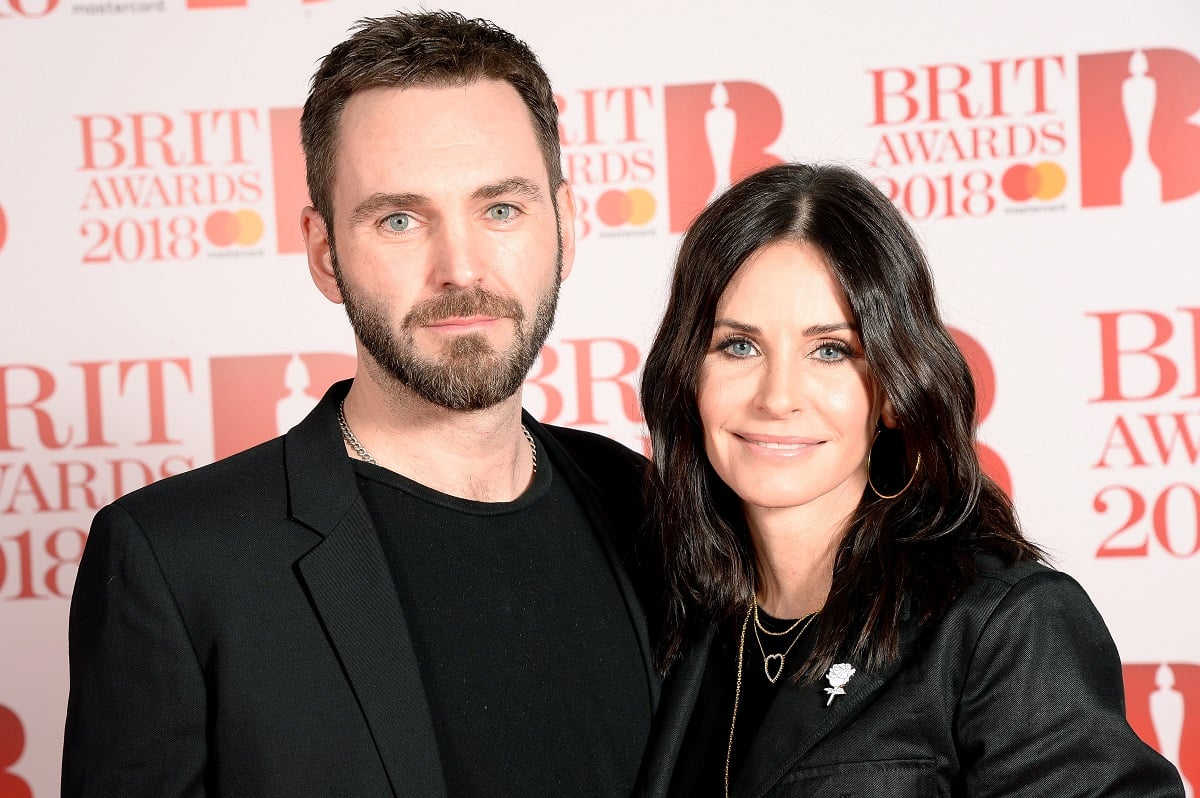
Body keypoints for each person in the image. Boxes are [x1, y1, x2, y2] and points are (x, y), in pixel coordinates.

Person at [62, 11, 657, 797]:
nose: (460, 267)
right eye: (400, 219)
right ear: (324, 254)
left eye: (501, 209)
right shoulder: (176, 563)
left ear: (568, 226)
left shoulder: (645, 503)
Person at [635, 162, 1184, 797]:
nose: (777, 396)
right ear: (687, 375)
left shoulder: (1001, 624)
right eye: (738, 346)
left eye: (831, 351)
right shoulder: (672, 618)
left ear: (895, 390)